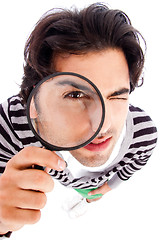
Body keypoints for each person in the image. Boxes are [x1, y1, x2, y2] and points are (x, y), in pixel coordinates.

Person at [0, 2, 157, 238]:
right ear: (35, 102)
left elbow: (132, 166)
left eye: (116, 95)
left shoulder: (145, 136)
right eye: (75, 95)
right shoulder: (11, 124)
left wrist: (104, 189)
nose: (102, 127)